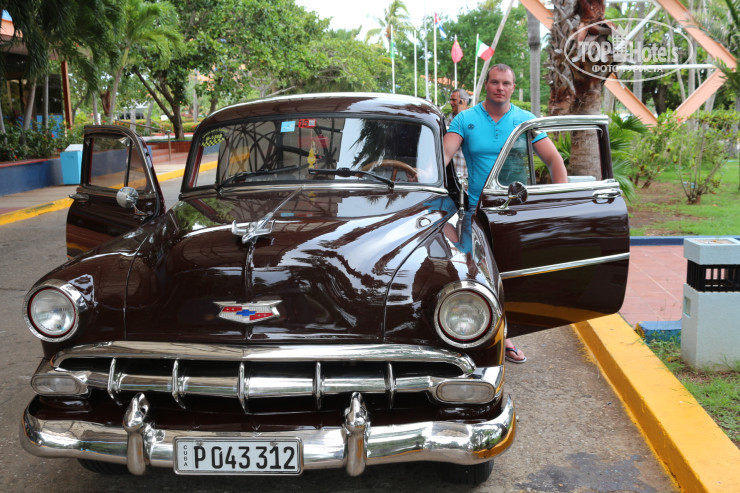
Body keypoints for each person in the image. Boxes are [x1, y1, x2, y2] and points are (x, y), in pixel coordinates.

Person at [443, 64, 568, 364]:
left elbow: (554, 160)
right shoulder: (465, 119)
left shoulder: (524, 120)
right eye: (495, 82)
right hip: (479, 211)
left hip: (516, 210)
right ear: (486, 85)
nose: (500, 88)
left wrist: (560, 202)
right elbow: (444, 155)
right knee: (475, 273)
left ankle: (505, 334)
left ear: (512, 87)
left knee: (512, 273)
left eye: (506, 83)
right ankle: (472, 334)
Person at [445, 88, 470, 186]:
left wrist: (462, 114)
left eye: (454, 100)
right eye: (450, 100)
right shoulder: (449, 119)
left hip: (465, 176)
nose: (451, 103)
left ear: (463, 102)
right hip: (450, 175)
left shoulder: (471, 120)